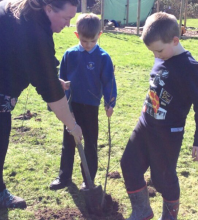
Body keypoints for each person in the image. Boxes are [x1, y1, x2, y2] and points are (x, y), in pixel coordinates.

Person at [0, 0, 83, 209]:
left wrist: (51, 78)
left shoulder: (27, 14)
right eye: (66, 18)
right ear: (49, 8)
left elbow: (38, 61)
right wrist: (72, 125)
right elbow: (50, 91)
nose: (68, 24)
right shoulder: (33, 29)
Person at [120, 12, 198, 220]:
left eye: (158, 50)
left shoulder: (190, 68)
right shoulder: (163, 54)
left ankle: (169, 217)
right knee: (129, 164)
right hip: (145, 125)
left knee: (162, 179)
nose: (156, 56)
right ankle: (142, 211)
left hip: (168, 133)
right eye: (152, 52)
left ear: (175, 40)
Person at [49, 13, 117, 191]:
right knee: (69, 141)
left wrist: (110, 103)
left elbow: (109, 81)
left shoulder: (103, 57)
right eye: (84, 41)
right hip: (70, 107)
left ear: (99, 35)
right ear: (77, 35)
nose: (88, 45)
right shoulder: (69, 55)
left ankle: (88, 179)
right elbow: (60, 79)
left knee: (90, 143)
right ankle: (64, 177)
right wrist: (60, 103)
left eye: (92, 42)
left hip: (91, 107)